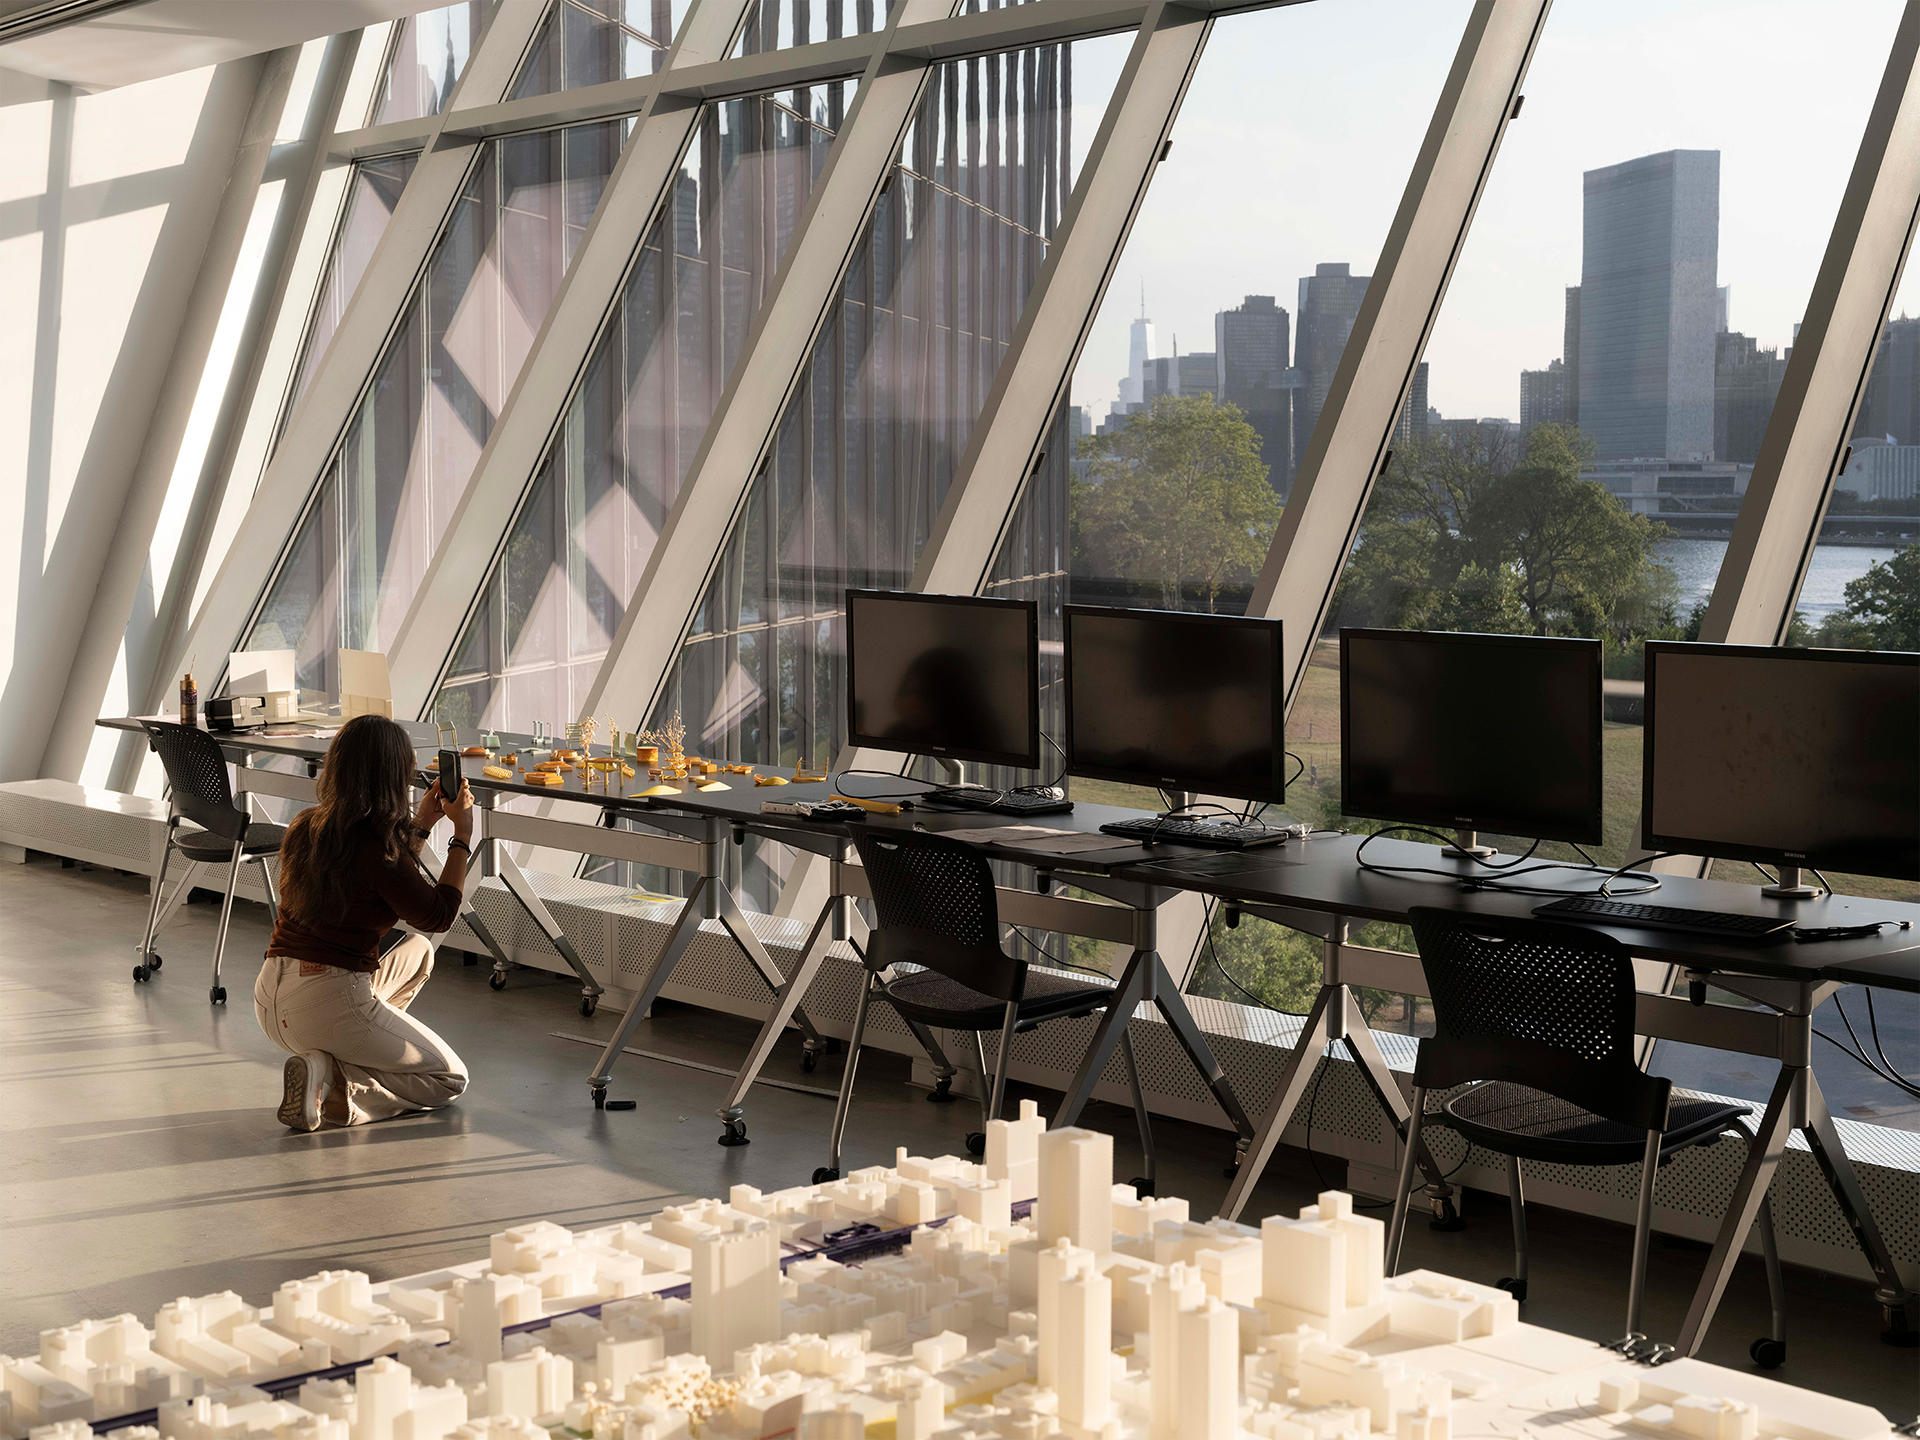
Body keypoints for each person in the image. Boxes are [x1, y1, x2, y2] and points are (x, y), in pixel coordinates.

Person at [255, 714, 473, 1131]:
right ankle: (340, 1081)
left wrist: (422, 824)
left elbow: (374, 873)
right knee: (449, 1077)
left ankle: (333, 1056)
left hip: (270, 995)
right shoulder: (379, 849)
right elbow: (439, 913)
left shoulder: (305, 826)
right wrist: (461, 834)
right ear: (392, 776)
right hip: (326, 1002)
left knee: (418, 952)